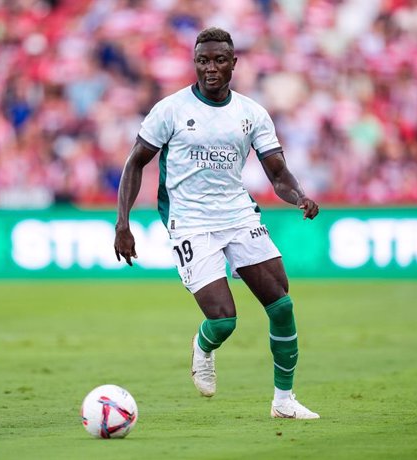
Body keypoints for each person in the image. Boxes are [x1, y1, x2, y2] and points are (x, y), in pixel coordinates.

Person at [114, 27, 320, 419]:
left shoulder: (251, 113)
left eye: (219, 60)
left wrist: (299, 196)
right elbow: (135, 163)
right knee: (224, 319)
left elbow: (278, 174)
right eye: (203, 61)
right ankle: (204, 346)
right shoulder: (170, 109)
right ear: (195, 63)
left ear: (233, 64)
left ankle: (284, 401)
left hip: (238, 215)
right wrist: (122, 223)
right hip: (189, 221)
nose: (210, 68)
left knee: (281, 304)